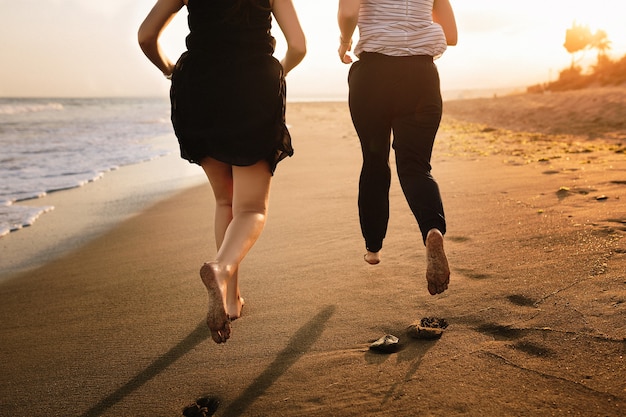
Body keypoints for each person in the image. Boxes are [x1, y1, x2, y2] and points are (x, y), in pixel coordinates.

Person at [138, 0, 306, 343]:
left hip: (198, 88)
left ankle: (231, 300)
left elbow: (146, 36)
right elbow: (299, 46)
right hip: (253, 87)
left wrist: (169, 68)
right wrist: (278, 72)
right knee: (252, 208)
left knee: (225, 202)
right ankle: (221, 270)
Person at [337, 0, 457, 295]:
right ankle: (432, 230)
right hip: (421, 77)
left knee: (375, 160)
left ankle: (374, 248)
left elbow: (350, 11)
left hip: (373, 76)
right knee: (416, 166)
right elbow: (451, 35)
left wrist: (345, 41)